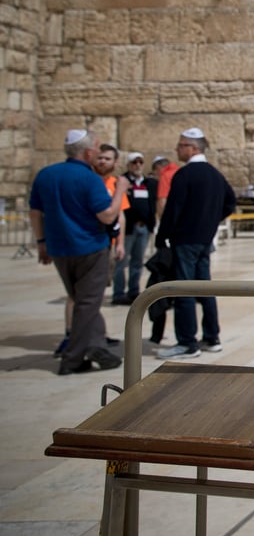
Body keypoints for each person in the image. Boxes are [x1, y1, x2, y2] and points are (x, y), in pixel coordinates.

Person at [28, 129, 129, 375]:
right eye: (96, 148)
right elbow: (106, 215)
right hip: (90, 249)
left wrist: (42, 242)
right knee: (87, 303)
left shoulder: (46, 175)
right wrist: (119, 191)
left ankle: (96, 346)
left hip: (60, 250)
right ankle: (72, 359)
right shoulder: (89, 179)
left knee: (80, 299)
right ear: (88, 152)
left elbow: (35, 212)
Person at [155, 127, 237, 359]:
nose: (177, 149)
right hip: (204, 240)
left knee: (185, 290)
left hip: (185, 241)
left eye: (181, 145)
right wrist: (210, 222)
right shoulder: (215, 174)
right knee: (205, 289)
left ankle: (187, 342)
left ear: (192, 148)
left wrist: (162, 237)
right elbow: (230, 203)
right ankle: (212, 338)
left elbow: (173, 211)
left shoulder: (184, 175)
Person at [112, 151, 156, 305]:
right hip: (128, 228)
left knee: (137, 262)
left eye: (140, 162)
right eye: (134, 162)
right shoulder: (122, 181)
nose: (137, 165)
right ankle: (118, 293)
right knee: (121, 262)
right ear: (129, 165)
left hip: (143, 228)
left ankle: (133, 291)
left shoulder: (149, 183)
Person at [152, 154, 179, 219]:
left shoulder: (165, 176)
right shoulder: (181, 172)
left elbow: (162, 201)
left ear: (158, 167)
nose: (155, 173)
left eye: (154, 170)